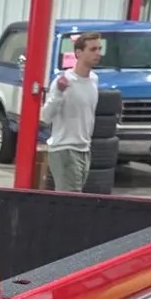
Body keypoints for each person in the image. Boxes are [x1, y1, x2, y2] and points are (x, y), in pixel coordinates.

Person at [40, 31, 103, 191]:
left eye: (99, 49)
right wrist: (59, 93)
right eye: (93, 49)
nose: (98, 53)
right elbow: (46, 116)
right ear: (78, 53)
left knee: (73, 201)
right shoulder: (64, 81)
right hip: (65, 149)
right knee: (71, 201)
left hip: (84, 149)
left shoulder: (94, 80)